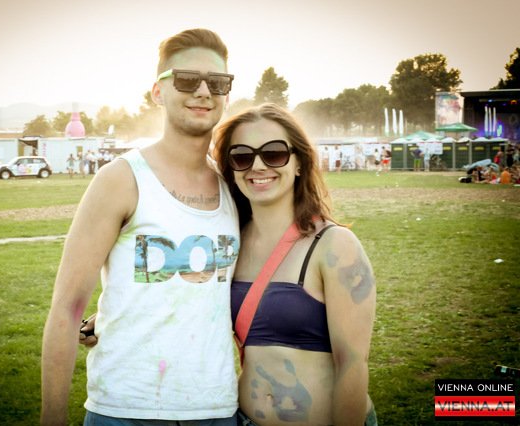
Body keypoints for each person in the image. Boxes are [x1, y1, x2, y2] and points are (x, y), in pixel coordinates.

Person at [42, 28, 239, 426]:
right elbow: (67, 307)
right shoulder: (120, 179)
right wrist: (52, 417)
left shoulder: (234, 185)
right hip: (125, 410)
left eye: (217, 82)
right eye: (187, 79)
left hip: (217, 410)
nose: (203, 91)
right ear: (157, 92)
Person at [212, 103, 377, 426]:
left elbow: (352, 364)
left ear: (299, 162)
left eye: (273, 153)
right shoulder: (229, 245)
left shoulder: (333, 244)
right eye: (242, 156)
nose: (257, 166)